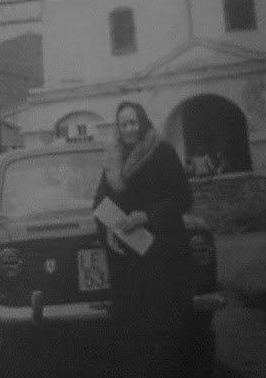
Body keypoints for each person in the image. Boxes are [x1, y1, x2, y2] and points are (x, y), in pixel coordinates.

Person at [93, 102, 194, 377]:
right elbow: (100, 201)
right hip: (126, 255)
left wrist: (148, 216)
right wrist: (110, 230)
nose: (129, 129)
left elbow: (184, 197)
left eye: (133, 122)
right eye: (123, 124)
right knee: (131, 325)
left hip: (163, 252)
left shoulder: (162, 151)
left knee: (164, 324)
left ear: (144, 122)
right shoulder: (112, 158)